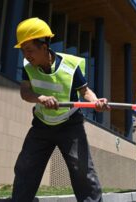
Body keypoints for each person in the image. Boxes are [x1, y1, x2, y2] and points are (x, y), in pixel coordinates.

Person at [10, 17, 110, 202]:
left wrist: (96, 102)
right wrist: (40, 98)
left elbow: (85, 91)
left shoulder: (70, 67)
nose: (26, 55)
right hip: (41, 124)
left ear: (44, 45)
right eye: (23, 51)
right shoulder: (28, 67)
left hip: (70, 125)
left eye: (30, 50)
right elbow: (25, 91)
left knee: (82, 169)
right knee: (26, 165)